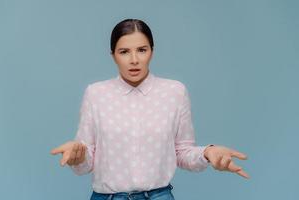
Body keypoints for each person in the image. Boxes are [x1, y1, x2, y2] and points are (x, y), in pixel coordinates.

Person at [51, 18, 249, 200]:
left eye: (142, 50)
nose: (134, 59)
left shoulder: (174, 92)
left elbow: (182, 152)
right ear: (113, 56)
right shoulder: (96, 94)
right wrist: (78, 155)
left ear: (152, 51)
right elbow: (87, 162)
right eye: (124, 52)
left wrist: (208, 153)